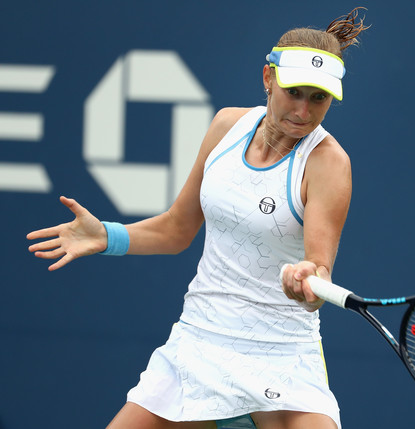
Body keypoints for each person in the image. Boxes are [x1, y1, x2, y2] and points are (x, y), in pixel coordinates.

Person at [27, 7, 368, 429]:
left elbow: (319, 273)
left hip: (281, 356)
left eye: (318, 98)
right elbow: (176, 228)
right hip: (199, 344)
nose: (304, 110)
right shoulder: (227, 124)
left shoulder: (329, 164)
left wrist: (308, 282)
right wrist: (107, 236)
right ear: (268, 78)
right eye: (294, 91)